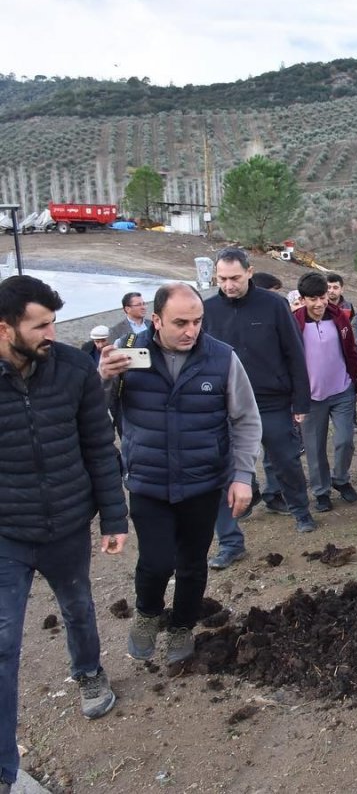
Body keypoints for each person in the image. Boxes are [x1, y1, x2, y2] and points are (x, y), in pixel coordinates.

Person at [0, 275, 129, 793]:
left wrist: (114, 518)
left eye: (54, 322)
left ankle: (89, 671)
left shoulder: (73, 368)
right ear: (5, 328)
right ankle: (5, 769)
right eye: (40, 325)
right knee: (4, 641)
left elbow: (101, 447)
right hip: (6, 531)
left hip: (69, 523)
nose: (51, 332)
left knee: (77, 607)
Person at [99, 282, 260, 666]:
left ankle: (182, 625)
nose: (191, 331)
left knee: (192, 561)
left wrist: (242, 474)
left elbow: (245, 419)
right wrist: (102, 376)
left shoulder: (222, 359)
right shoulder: (128, 357)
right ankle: (148, 613)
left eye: (198, 321)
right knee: (155, 561)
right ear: (156, 320)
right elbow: (92, 410)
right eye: (180, 322)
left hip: (202, 481)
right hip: (148, 481)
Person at [203, 247, 315, 571]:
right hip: (224, 405)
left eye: (235, 278)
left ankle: (300, 510)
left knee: (286, 459)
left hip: (271, 400)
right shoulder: (208, 311)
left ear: (250, 272)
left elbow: (295, 353)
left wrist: (301, 400)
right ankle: (230, 541)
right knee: (224, 470)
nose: (229, 285)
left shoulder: (274, 305)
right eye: (222, 279)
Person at [293, 272, 357, 514]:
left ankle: (340, 478)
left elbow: (351, 350)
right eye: (313, 299)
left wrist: (355, 381)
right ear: (302, 300)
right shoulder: (294, 324)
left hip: (342, 390)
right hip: (311, 398)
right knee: (314, 448)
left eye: (322, 297)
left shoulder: (339, 318)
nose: (319, 304)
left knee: (345, 440)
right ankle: (321, 491)